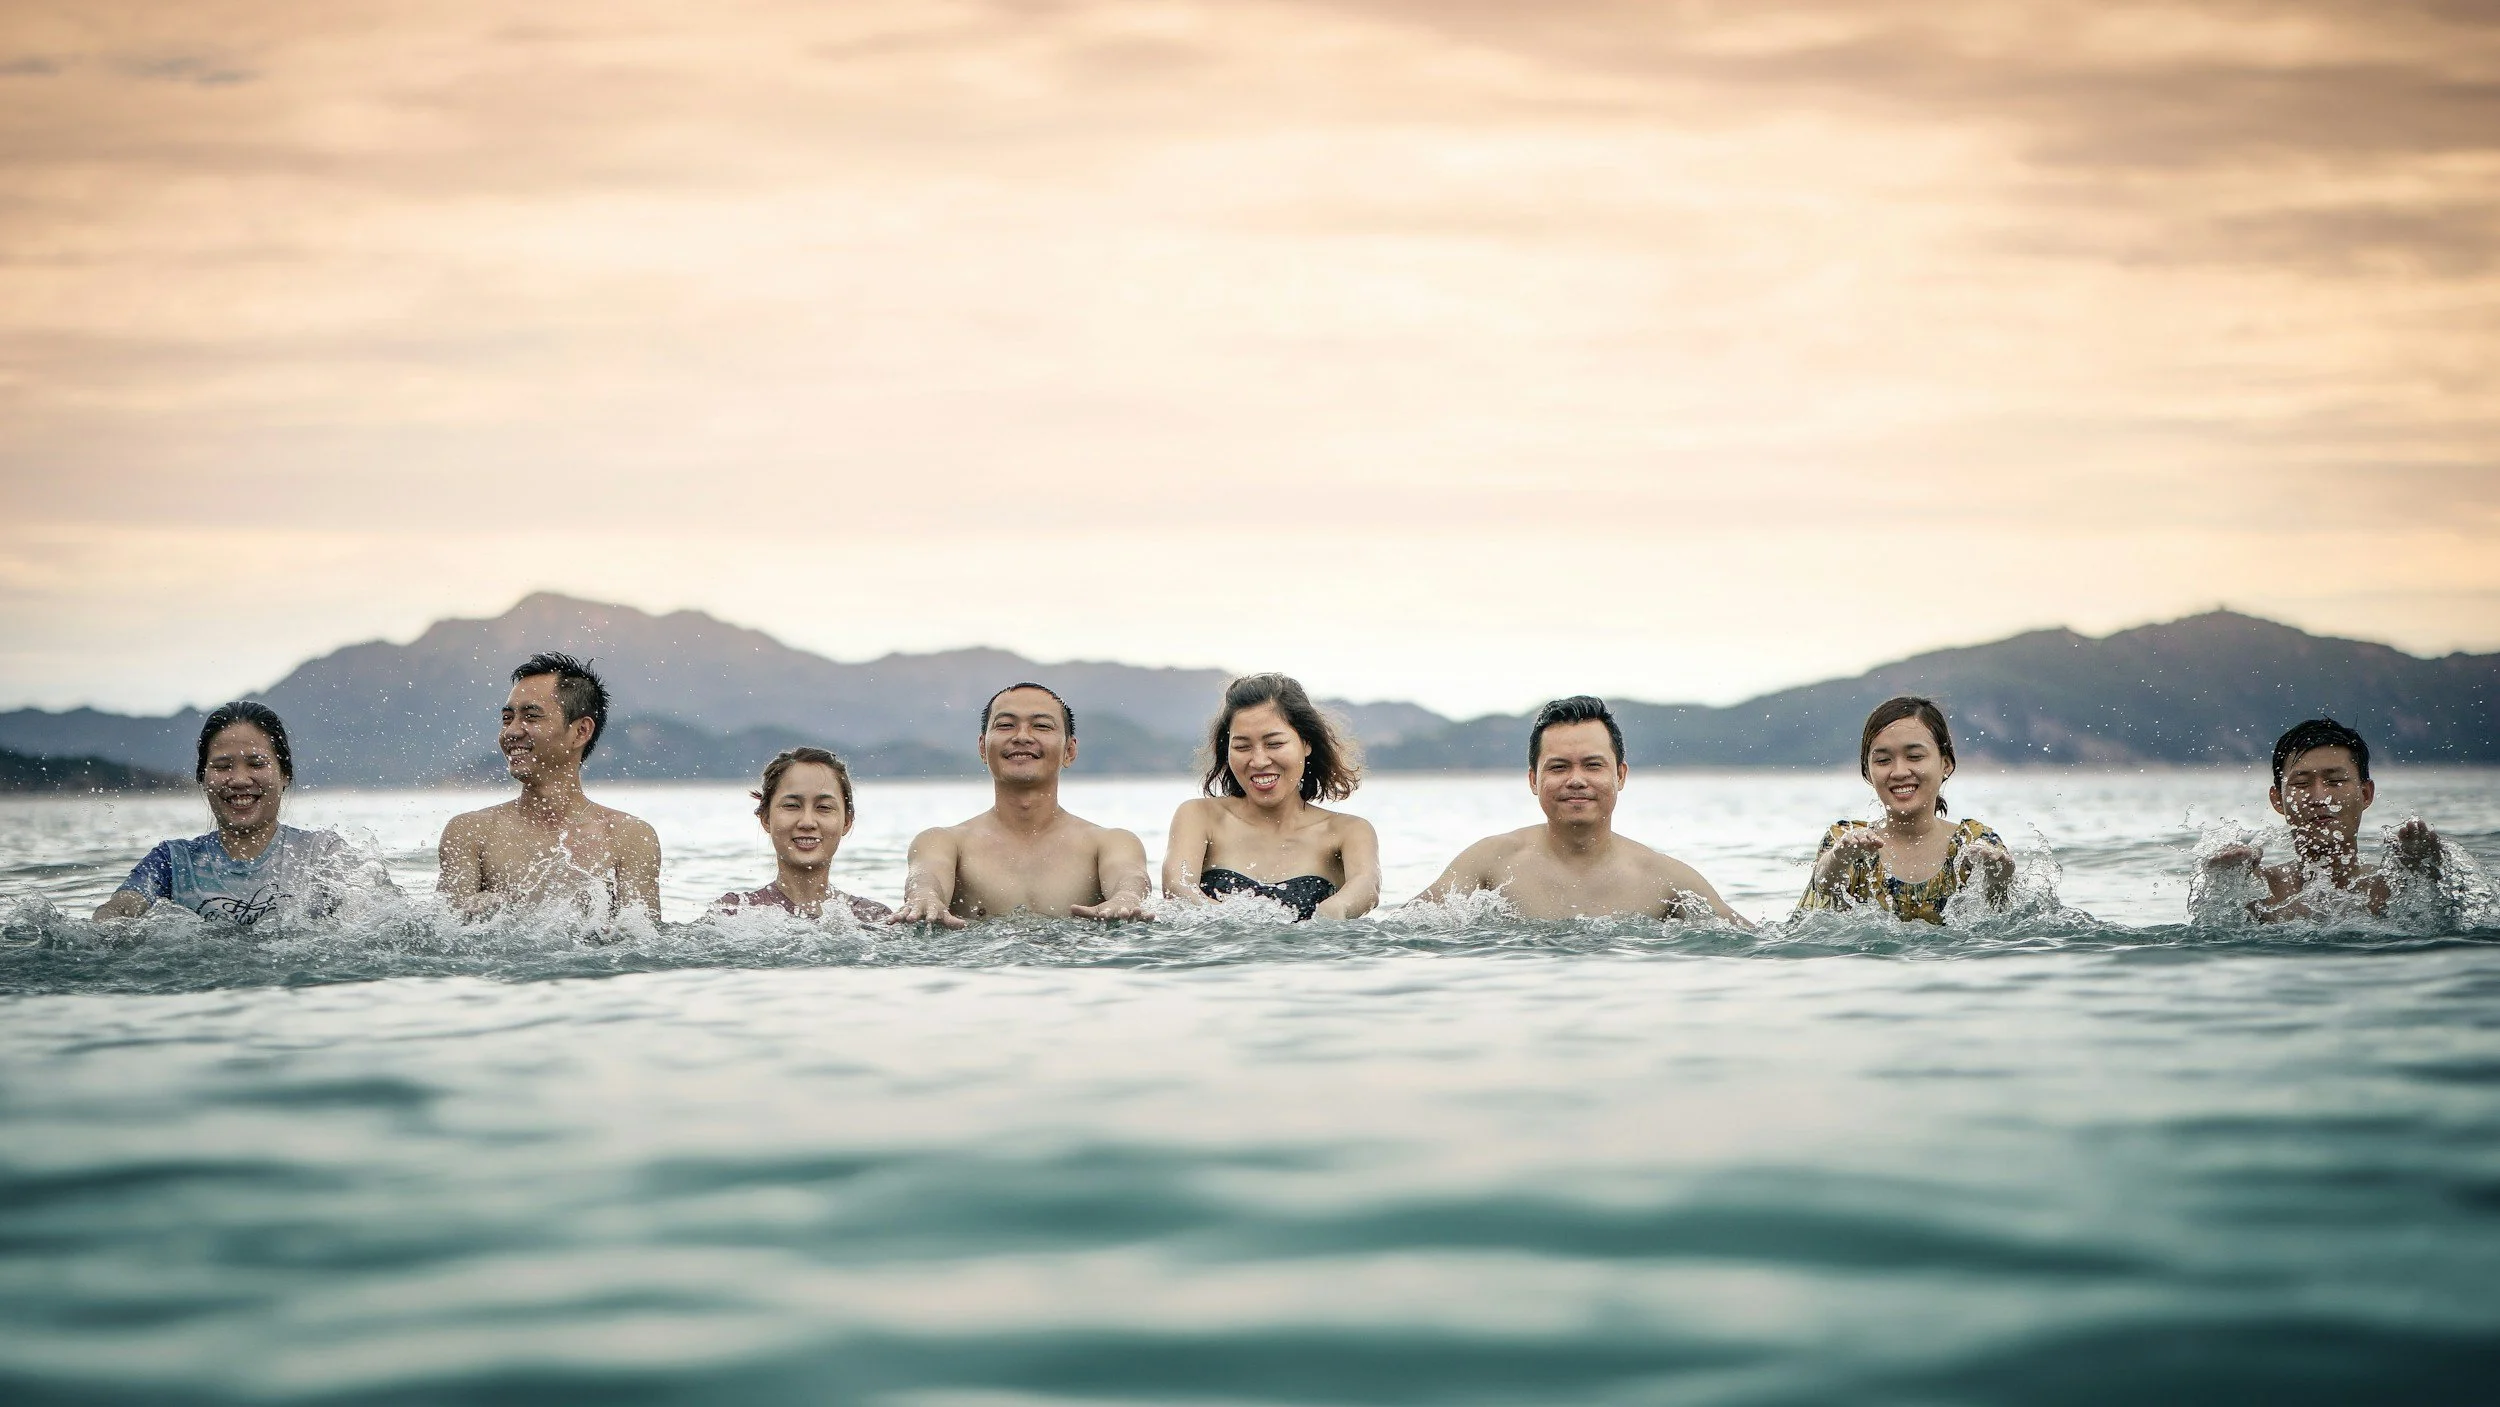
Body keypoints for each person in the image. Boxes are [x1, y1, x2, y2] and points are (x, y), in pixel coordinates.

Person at [1417, 696, 1747, 923]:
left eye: (1592, 765)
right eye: (1559, 767)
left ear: (1620, 775)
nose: (1576, 780)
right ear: (1534, 780)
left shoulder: (1666, 880)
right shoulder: (1489, 863)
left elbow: (1754, 946)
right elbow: (1404, 930)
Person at [889, 682, 1152, 927]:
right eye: (1005, 725)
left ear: (1069, 751)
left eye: (1041, 726)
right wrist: (923, 897)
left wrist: (1127, 899)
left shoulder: (1110, 842)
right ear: (982, 747)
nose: (1022, 736)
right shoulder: (943, 841)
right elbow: (926, 876)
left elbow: (1129, 877)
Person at [93, 701, 380, 924]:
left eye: (256, 764)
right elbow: (118, 909)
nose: (240, 779)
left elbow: (375, 919)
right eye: (222, 766)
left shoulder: (322, 855)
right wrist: (110, 929)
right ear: (203, 779)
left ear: (284, 776)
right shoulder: (173, 862)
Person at [437, 653, 662, 922]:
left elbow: (644, 946)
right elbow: (447, 938)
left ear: (580, 731)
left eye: (531, 717)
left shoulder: (629, 838)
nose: (511, 732)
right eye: (507, 719)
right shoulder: (471, 833)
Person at [1161, 673, 1380, 921]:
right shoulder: (1199, 816)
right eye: (1242, 747)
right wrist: (1227, 922)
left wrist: (1335, 909)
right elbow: (1177, 886)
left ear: (1306, 743)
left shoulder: (1349, 831)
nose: (1259, 760)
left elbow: (1367, 886)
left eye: (1274, 744)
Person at [2201, 717, 2446, 922]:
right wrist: (2223, 883)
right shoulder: (2257, 891)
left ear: (2365, 794)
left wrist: (2430, 874)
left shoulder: (2393, 887)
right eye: (2301, 783)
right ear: (2278, 800)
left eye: (2335, 781)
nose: (2320, 798)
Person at [1798, 695, 2013, 923]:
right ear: (1868, 773)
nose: (1899, 772)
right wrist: (1838, 858)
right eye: (1882, 760)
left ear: (1946, 764)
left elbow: (1999, 917)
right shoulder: (1848, 840)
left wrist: (1999, 881)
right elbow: (1823, 884)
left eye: (1915, 757)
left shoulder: (1973, 842)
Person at [714, 746, 891, 922]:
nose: (807, 822)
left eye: (824, 807)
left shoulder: (872, 917)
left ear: (846, 822)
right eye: (791, 805)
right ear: (766, 818)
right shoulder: (734, 912)